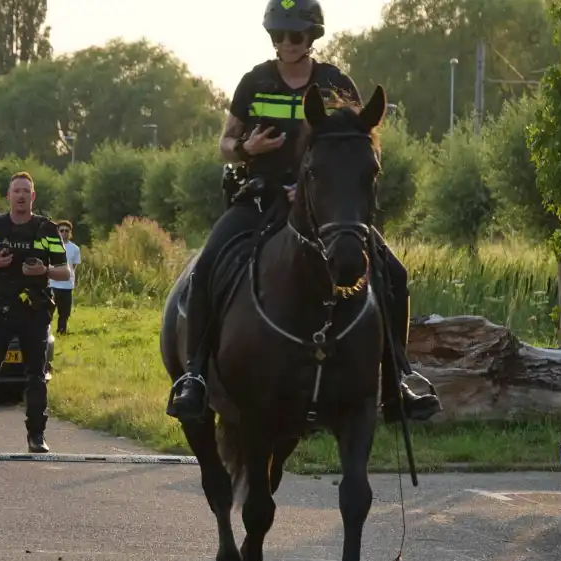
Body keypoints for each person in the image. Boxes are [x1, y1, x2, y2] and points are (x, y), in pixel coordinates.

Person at [166, 0, 442, 425]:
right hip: (260, 199)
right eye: (277, 35)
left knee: (395, 274)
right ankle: (196, 376)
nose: (285, 44)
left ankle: (398, 381)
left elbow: (360, 139)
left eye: (293, 36)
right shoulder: (253, 82)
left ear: (312, 37)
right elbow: (224, 142)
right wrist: (245, 149)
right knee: (205, 268)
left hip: (325, 207)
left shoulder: (335, 83)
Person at [0, 171, 71, 453]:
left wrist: (43, 270)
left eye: (25, 192)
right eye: (16, 191)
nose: (20, 196)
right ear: (8, 196)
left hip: (34, 311)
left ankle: (37, 436)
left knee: (36, 375)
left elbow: (64, 271)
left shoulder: (47, 229)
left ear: (33, 197)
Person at [48, 220, 82, 334]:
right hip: (51, 284)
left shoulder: (75, 249)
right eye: (61, 230)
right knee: (47, 312)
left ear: (70, 233)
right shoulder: (50, 246)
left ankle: (61, 332)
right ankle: (44, 333)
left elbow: (74, 266)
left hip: (67, 286)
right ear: (57, 232)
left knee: (64, 313)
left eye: (66, 231)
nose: (64, 233)